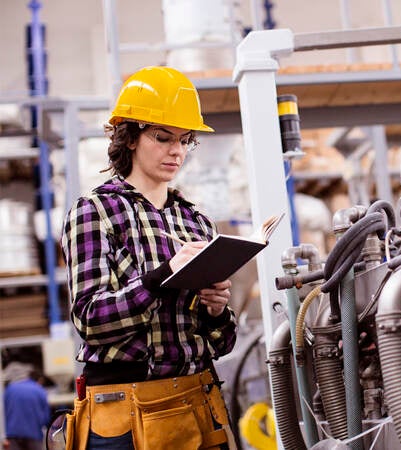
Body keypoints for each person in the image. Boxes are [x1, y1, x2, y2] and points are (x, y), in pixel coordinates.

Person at [61, 66, 238, 450]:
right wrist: (161, 277)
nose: (177, 151)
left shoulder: (196, 222)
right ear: (129, 137)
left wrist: (217, 311)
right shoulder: (95, 212)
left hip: (199, 401)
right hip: (123, 411)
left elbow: (223, 345)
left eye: (186, 140)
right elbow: (90, 320)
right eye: (163, 137)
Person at [3, 362, 50, 450]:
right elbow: (45, 418)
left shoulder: (10, 389)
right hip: (33, 435)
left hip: (13, 435)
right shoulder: (40, 390)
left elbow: (4, 413)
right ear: (40, 380)